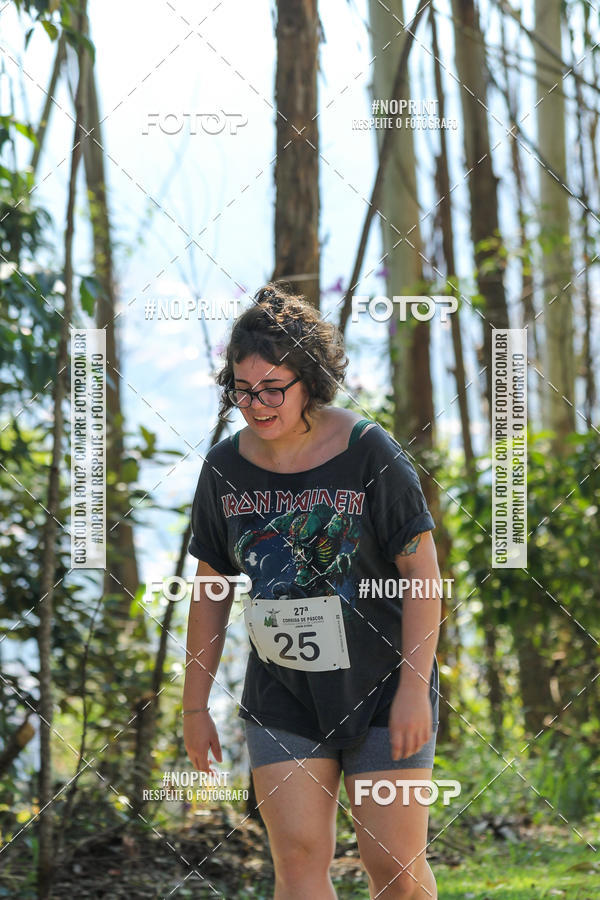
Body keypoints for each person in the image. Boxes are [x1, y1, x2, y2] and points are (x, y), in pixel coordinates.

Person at [183, 283, 442, 900]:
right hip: (285, 693)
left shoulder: (368, 451)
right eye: (244, 391)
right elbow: (210, 593)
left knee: (394, 869)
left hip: (381, 687)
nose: (258, 405)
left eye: (274, 389)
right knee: (297, 860)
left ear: (312, 379)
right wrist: (196, 707)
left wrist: (413, 690)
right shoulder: (224, 469)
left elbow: (424, 576)